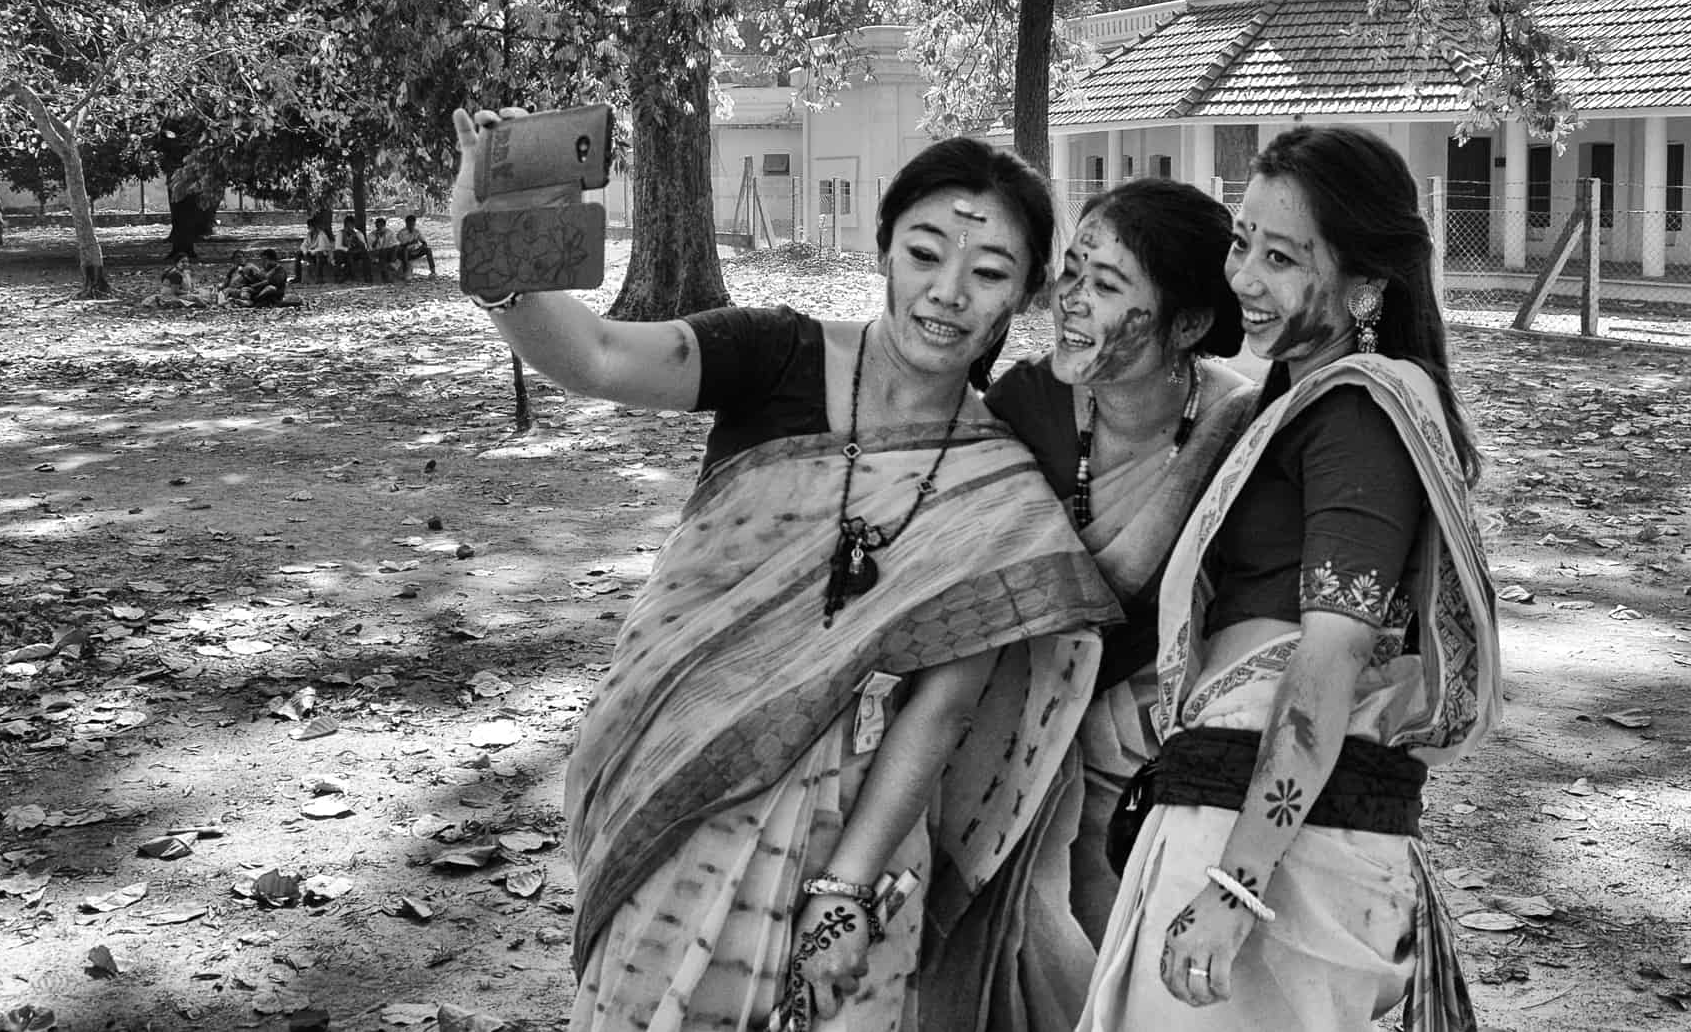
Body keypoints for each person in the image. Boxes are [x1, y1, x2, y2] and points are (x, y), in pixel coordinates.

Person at [451, 109, 1123, 1032]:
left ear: (1019, 300)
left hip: (857, 832)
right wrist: (485, 223)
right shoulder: (775, 355)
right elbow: (598, 354)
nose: (949, 291)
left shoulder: (996, 487)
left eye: (989, 273)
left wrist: (845, 890)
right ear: (883, 248)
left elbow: (942, 705)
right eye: (926, 253)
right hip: (678, 774)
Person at [1075, 126, 1500, 1031]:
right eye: (1241, 242)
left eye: (1281, 257)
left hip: (1275, 857)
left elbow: (1327, 665)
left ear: (1364, 285)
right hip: (1240, 818)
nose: (1244, 279)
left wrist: (1235, 884)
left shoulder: (1359, 416)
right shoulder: (1300, 401)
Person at [921, 179, 1258, 1031]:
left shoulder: (1240, 427)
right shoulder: (1025, 403)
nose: (1070, 301)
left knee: (1134, 959)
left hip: (1159, 742)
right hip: (1011, 719)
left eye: (1107, 286)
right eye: (1072, 271)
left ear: (1183, 324)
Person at [297, 218, 336, 283]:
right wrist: (305, 251)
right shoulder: (309, 234)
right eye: (309, 226)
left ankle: (319, 277)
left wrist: (312, 251)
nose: (309, 228)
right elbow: (303, 245)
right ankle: (298, 277)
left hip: (324, 255)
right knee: (298, 253)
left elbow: (322, 247)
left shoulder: (321, 234)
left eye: (311, 226)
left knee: (319, 254)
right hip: (312, 253)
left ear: (315, 226)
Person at [368, 216, 404, 280]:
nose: (379, 228)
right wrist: (377, 238)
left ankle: (392, 264)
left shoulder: (389, 232)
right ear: (376, 226)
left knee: (397, 248)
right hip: (376, 252)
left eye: (381, 226)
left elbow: (395, 244)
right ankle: (387, 275)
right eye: (377, 226)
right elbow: (371, 248)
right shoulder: (372, 234)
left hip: (388, 251)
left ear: (384, 225)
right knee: (383, 253)